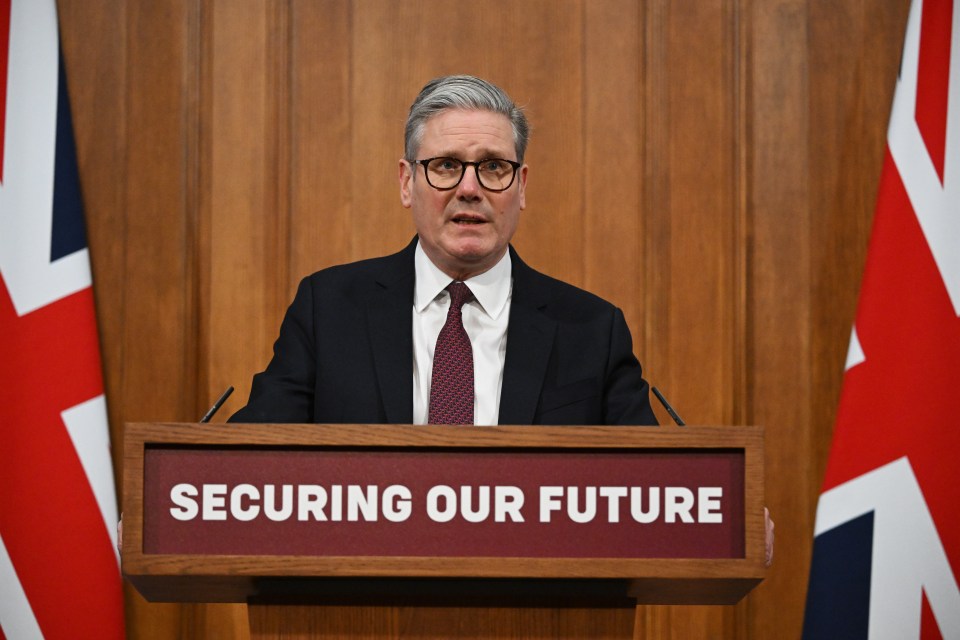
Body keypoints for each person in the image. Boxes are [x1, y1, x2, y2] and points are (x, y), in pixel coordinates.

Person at [229, 75, 658, 427]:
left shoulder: (592, 329)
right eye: (446, 165)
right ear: (405, 182)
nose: (469, 189)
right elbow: (253, 459)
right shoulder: (328, 309)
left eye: (493, 167)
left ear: (521, 186)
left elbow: (652, 482)